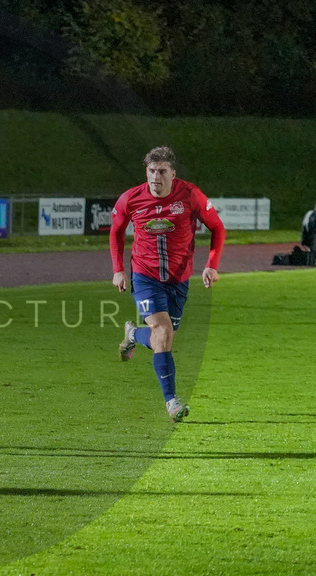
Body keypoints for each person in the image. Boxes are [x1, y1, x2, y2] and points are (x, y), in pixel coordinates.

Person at [110, 146, 225, 422]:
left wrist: (212, 264)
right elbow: (116, 232)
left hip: (179, 279)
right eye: (151, 170)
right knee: (162, 332)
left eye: (162, 171)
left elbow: (217, 228)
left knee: (163, 337)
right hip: (145, 276)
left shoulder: (190, 195)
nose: (155, 177)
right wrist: (118, 270)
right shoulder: (130, 198)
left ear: (173, 173)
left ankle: (132, 334)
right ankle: (172, 402)